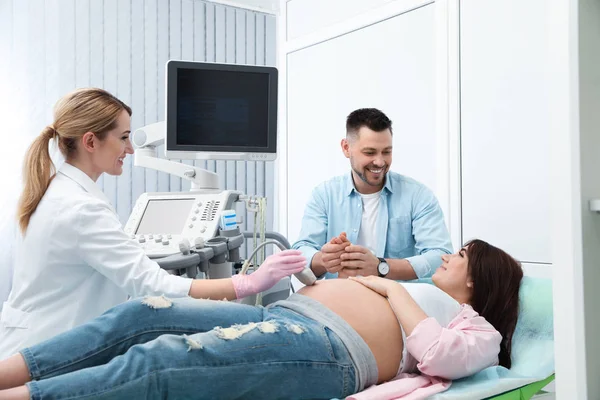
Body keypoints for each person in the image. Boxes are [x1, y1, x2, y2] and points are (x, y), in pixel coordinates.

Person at [0, 239, 523, 400]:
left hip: (329, 348)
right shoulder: (420, 291)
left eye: (459, 255)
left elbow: (438, 356)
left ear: (478, 279)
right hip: (289, 313)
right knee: (140, 314)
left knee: (162, 362)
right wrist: (318, 271)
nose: (448, 257)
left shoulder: (477, 329)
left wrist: (387, 285)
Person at [0, 88, 307, 359]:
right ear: (90, 141)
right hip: (46, 346)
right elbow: (151, 282)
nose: (131, 149)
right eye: (123, 138)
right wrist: (248, 283)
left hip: (36, 341)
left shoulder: (58, 189)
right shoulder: (79, 207)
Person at [292, 108, 453, 282]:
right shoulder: (324, 195)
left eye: (386, 152)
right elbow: (302, 252)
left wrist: (380, 267)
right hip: (337, 302)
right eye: (369, 152)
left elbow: (440, 257)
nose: (379, 162)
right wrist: (324, 259)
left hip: (396, 305)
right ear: (346, 148)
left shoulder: (418, 196)